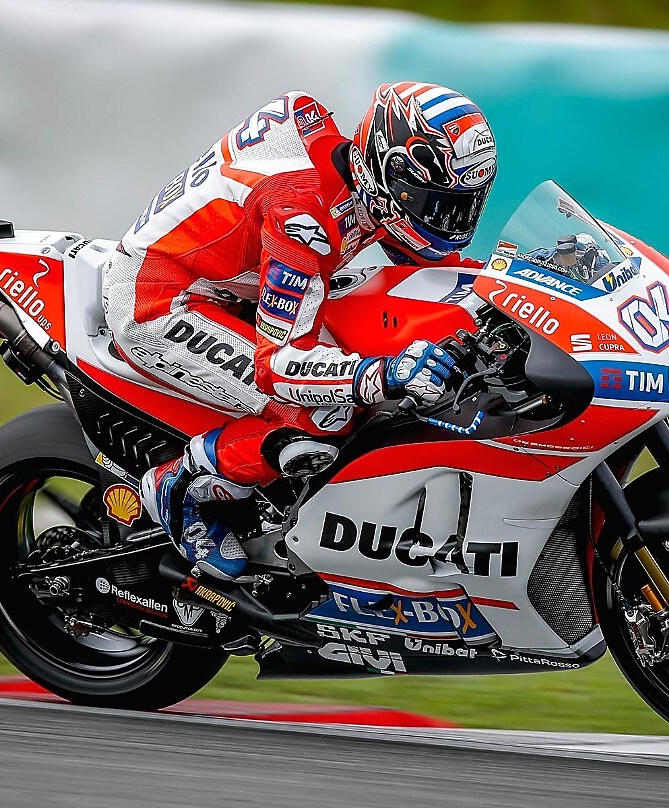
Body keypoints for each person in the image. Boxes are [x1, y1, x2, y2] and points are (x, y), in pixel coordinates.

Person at [101, 82, 497, 581]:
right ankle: (181, 485)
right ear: (391, 171)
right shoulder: (303, 218)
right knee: (325, 411)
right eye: (434, 202)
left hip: (235, 280)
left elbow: (427, 262)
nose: (446, 220)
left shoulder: (359, 175)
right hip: (161, 299)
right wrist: (386, 373)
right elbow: (277, 365)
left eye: (461, 205)